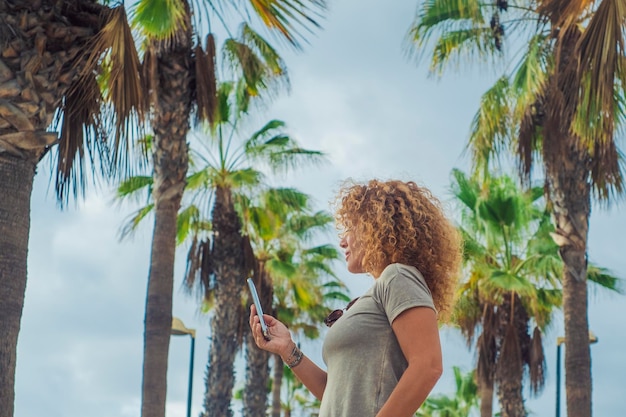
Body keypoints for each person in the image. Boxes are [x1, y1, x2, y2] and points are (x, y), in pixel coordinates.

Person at [249, 179, 462, 417]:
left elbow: (428, 366)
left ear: (376, 227)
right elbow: (335, 394)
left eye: (350, 228)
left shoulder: (397, 276)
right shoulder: (375, 293)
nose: (342, 241)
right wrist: (287, 349)